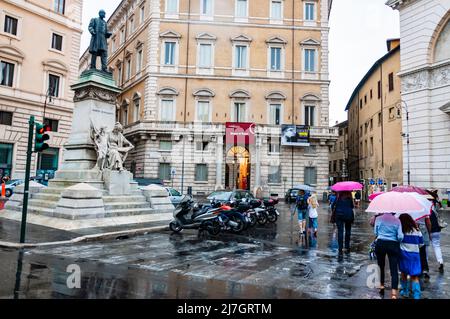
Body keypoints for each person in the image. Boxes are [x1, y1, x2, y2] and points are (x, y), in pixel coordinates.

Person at [374, 213, 404, 299]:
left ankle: (382, 286)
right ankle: (394, 293)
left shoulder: (378, 219)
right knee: (394, 269)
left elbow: (375, 232)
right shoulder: (397, 220)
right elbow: (400, 236)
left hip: (381, 244)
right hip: (393, 244)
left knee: (381, 266)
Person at [398, 214, 424, 299]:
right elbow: (421, 244)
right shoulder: (417, 230)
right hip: (415, 255)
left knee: (404, 273)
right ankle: (416, 295)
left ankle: (405, 291)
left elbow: (398, 241)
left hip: (404, 255)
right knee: (414, 276)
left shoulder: (401, 230)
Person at [331, 191, 354, 255]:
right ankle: (347, 246)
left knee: (340, 231)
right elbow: (352, 206)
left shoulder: (338, 196)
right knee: (348, 231)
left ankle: (340, 247)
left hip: (339, 215)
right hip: (348, 215)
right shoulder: (350, 197)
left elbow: (333, 206)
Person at [429, 198, 444, 273]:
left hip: (429, 232)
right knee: (437, 246)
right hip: (437, 231)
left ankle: (424, 266)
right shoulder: (434, 211)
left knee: (425, 247)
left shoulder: (425, 212)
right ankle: (440, 261)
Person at [416, 215, 432, 280]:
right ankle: (425, 269)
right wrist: (429, 233)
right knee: (424, 251)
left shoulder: (410, 208)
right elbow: (428, 223)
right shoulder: (424, 208)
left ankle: (418, 268)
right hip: (423, 230)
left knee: (416, 251)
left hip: (414, 229)